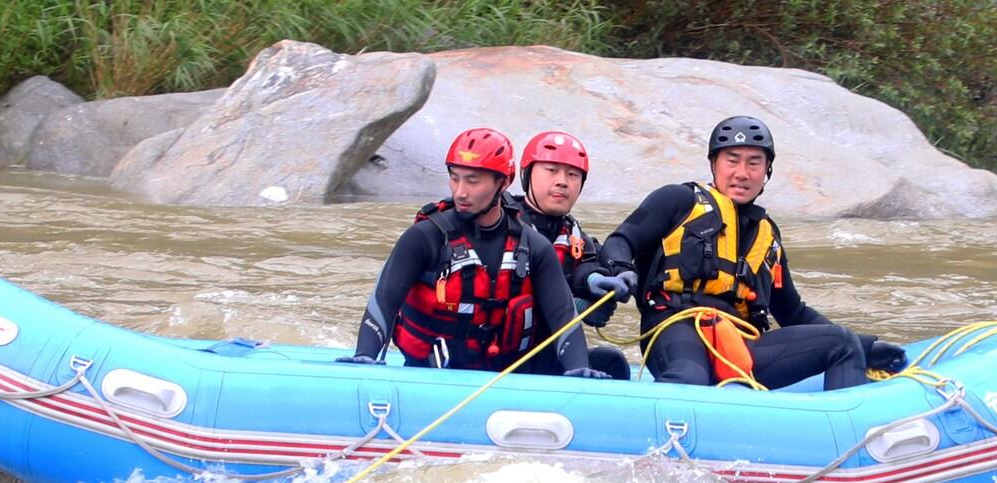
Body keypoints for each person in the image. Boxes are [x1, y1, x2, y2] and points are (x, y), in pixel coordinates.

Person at [597, 116, 905, 389]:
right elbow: (620, 241)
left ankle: (847, 436)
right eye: (732, 160)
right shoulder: (677, 200)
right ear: (714, 164)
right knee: (691, 376)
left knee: (843, 343)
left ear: (766, 171)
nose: (742, 173)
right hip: (674, 327)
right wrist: (621, 269)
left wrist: (865, 345)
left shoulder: (767, 235)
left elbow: (792, 312)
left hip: (742, 344)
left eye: (754, 163)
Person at [338, 127, 610, 379]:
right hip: (428, 378)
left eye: (473, 181)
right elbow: (384, 300)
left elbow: (563, 317)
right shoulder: (424, 238)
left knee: (611, 363)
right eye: (455, 179)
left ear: (503, 183)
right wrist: (365, 356)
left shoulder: (535, 247)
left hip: (506, 380)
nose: (461, 192)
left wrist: (579, 370)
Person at [507, 130, 632, 380]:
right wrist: (574, 304)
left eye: (573, 175)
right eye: (551, 171)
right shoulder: (499, 222)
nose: (563, 181)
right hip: (499, 354)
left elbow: (585, 267)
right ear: (526, 175)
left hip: (545, 355)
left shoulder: (574, 234)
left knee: (613, 362)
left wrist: (598, 287)